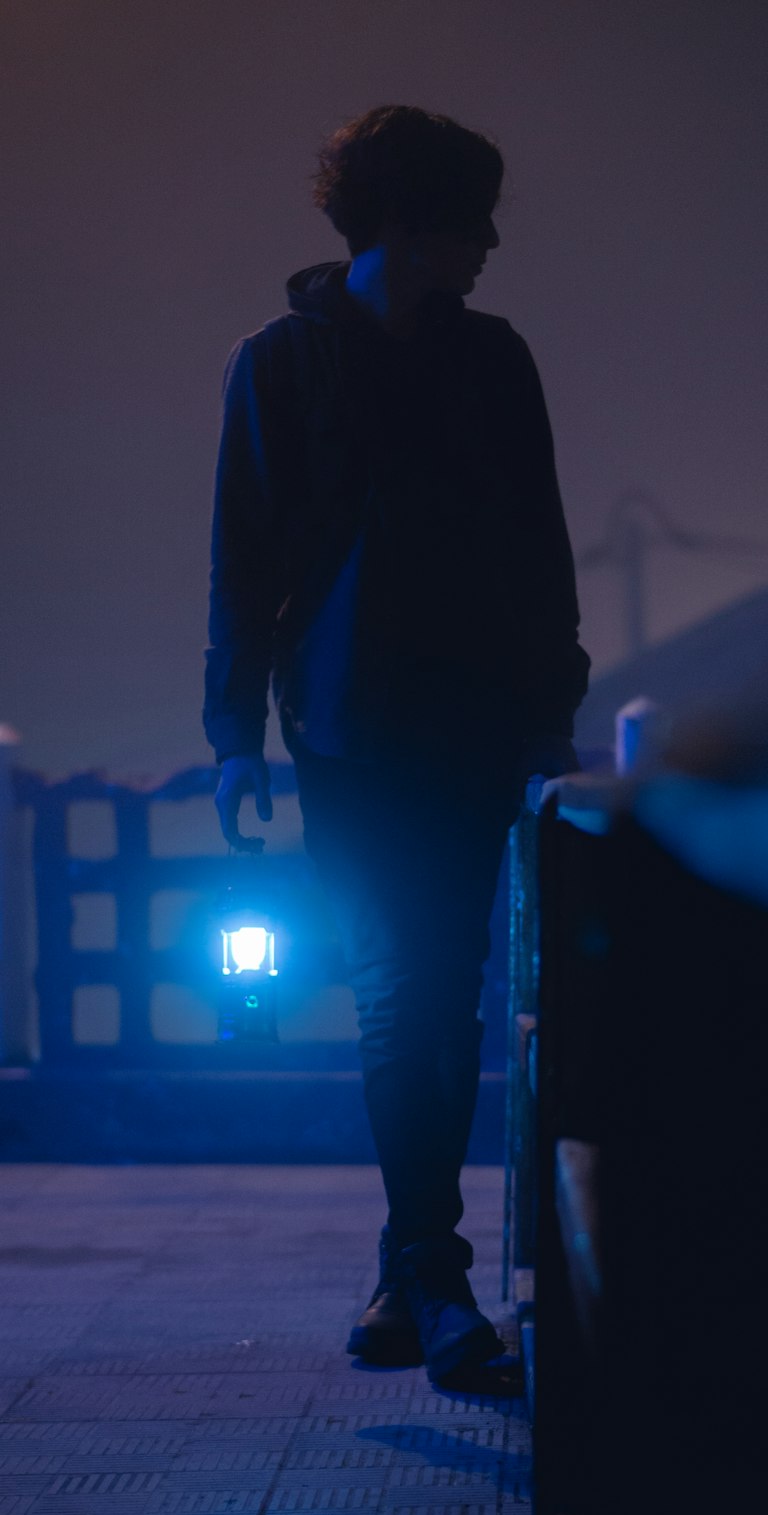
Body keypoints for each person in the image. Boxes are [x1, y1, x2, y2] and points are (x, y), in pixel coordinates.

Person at [204, 104, 589, 1387]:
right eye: (470, 220)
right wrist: (232, 732)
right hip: (349, 728)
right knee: (403, 990)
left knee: (441, 989)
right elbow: (241, 561)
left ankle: (404, 1274)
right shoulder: (276, 364)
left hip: (474, 719)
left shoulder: (497, 359)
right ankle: (435, 1281)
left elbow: (540, 543)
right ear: (411, 226)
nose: (488, 246)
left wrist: (555, 705)